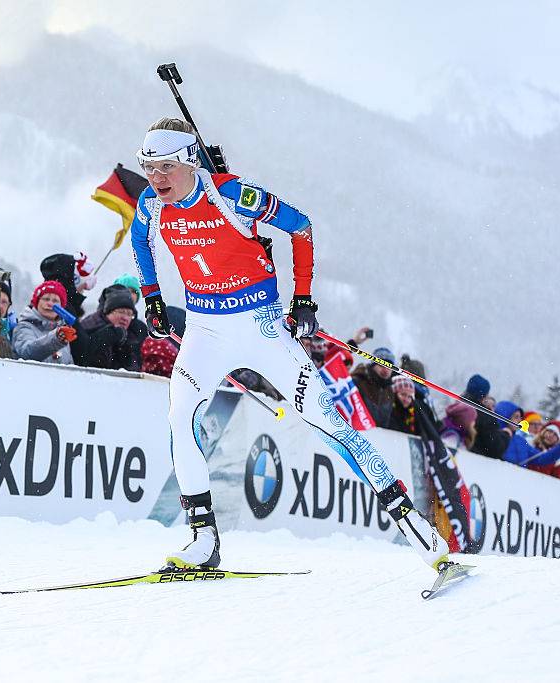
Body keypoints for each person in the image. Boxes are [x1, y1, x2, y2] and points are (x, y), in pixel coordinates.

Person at [129, 117, 448, 571]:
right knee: (180, 416)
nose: (155, 178)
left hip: (261, 329)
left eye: (164, 167)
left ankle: (417, 529)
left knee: (331, 426)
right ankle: (203, 539)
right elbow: (141, 242)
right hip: (205, 331)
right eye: (148, 167)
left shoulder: (231, 194)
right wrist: (153, 297)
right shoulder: (150, 205)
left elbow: (300, 226)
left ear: (187, 161)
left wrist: (303, 297)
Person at [12, 280, 81, 365]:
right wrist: (56, 339)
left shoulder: (63, 330)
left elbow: (69, 364)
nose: (50, 304)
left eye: (55, 301)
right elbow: (27, 353)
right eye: (46, 299)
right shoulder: (24, 326)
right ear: (37, 302)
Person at [80, 286, 147, 371]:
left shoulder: (134, 334)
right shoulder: (90, 327)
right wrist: (109, 336)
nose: (125, 318)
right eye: (121, 312)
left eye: (129, 314)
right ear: (108, 312)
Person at [350, 346, 396, 427]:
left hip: (378, 437)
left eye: (389, 366)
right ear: (373, 366)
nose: (386, 369)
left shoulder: (390, 390)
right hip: (356, 432)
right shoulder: (358, 381)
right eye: (381, 365)